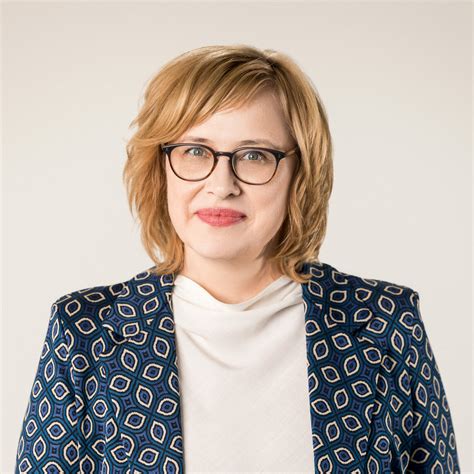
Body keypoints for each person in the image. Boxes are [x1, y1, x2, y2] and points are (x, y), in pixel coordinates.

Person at [15, 44, 460, 474]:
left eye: (254, 155)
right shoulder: (85, 333)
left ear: (300, 174)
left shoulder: (384, 325)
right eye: (195, 151)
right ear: (160, 167)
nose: (221, 184)